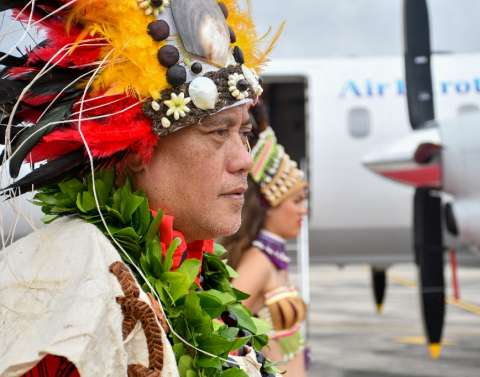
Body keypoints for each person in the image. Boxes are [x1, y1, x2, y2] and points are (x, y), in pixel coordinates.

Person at [0, 1, 282, 376]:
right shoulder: (80, 288)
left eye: (243, 132)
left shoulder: (196, 273)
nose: (244, 160)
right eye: (217, 132)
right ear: (137, 151)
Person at [221, 126, 309, 377]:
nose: (303, 210)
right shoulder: (258, 261)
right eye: (296, 201)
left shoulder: (272, 258)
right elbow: (223, 329)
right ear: (269, 207)